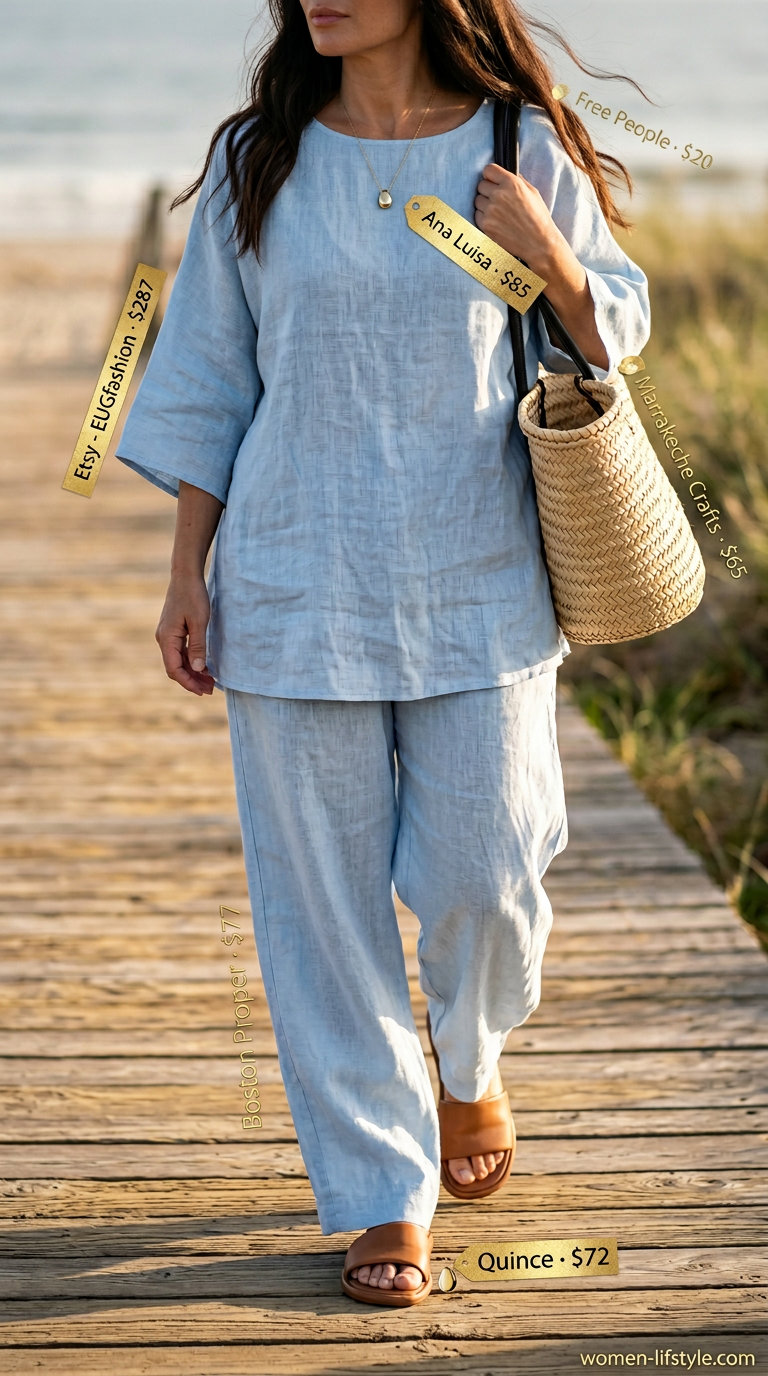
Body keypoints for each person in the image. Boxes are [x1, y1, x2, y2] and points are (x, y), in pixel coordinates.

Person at [115, 0, 650, 1307]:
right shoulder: (260, 158)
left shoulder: (514, 147)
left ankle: (469, 1060)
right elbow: (210, 374)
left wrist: (548, 258)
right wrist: (187, 572)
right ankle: (379, 1193)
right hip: (295, 580)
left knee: (490, 866)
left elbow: (613, 330)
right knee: (321, 910)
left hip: (482, 579)